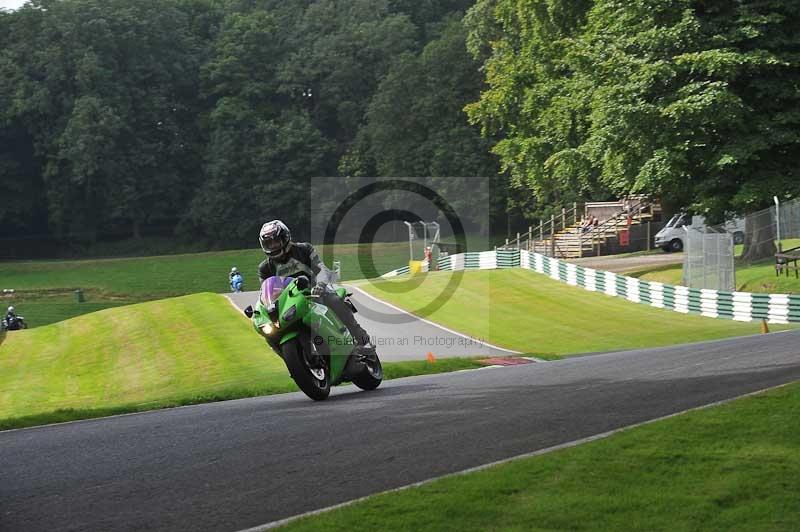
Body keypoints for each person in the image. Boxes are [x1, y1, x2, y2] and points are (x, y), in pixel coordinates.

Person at [257, 220, 375, 357]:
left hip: (315, 292)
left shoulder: (304, 249)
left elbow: (321, 269)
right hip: (289, 302)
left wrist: (320, 285)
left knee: (335, 301)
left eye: (276, 241)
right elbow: (266, 291)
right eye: (269, 243)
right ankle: (289, 356)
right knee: (269, 330)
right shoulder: (264, 268)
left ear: (285, 237)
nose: (273, 246)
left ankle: (362, 339)